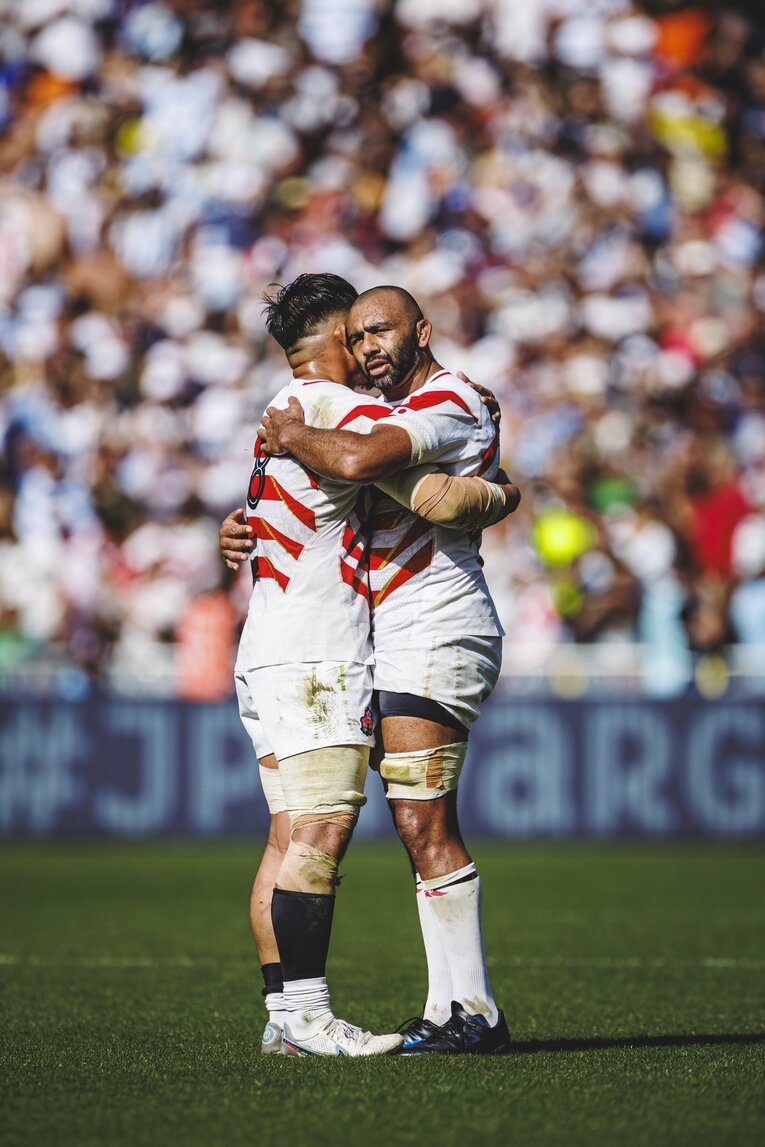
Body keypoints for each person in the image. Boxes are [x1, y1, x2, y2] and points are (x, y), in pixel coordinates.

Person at [231, 274, 519, 1057]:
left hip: (433, 621)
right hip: (368, 633)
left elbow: (365, 461)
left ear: (421, 331)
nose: (368, 348)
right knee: (384, 822)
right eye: (356, 337)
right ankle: (443, 1006)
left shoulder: (448, 399)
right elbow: (387, 481)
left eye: (381, 331)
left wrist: (492, 497)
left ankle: (468, 1008)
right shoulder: (353, 405)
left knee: (415, 815)